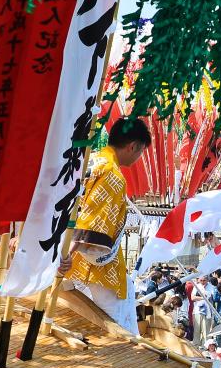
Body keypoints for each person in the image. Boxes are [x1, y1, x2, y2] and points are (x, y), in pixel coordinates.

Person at [61, 116, 153, 334]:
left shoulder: (90, 160)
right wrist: (67, 257)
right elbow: (91, 223)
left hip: (67, 253)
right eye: (141, 152)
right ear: (133, 146)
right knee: (120, 326)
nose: (139, 157)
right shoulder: (112, 174)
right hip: (94, 264)